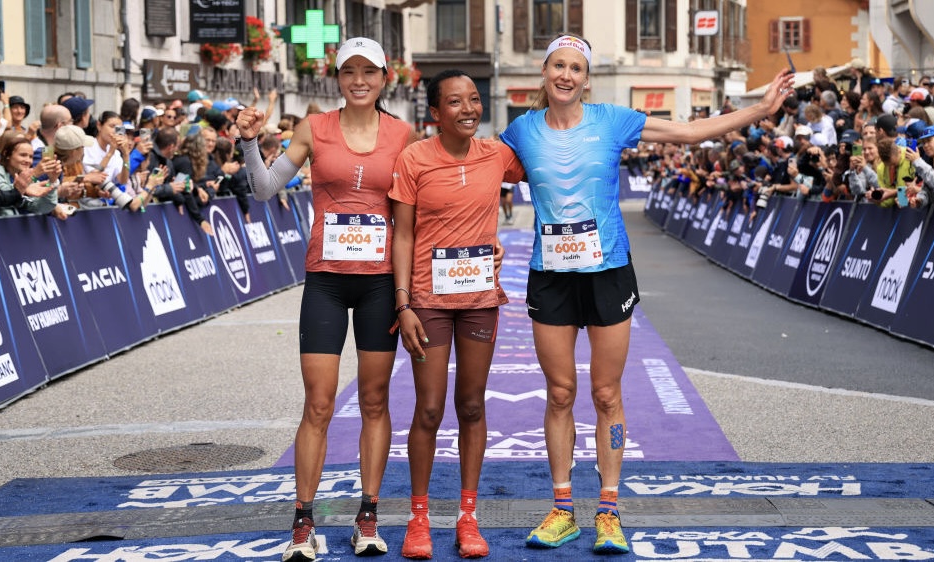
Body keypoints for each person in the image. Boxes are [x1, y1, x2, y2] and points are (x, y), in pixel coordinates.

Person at [498, 33, 794, 555]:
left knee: (606, 394)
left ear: (587, 79)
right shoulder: (521, 130)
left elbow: (687, 131)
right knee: (561, 393)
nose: (566, 75)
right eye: (557, 66)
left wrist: (760, 109)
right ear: (543, 74)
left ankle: (608, 511)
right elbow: (477, 180)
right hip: (551, 275)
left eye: (575, 67)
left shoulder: (613, 119)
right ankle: (563, 508)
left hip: (607, 270)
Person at [236, 37, 414, 562]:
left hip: (380, 281)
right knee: (319, 401)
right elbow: (267, 188)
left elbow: (415, 213)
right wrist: (249, 144)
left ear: (385, 78)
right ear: (337, 78)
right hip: (327, 281)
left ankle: (368, 516)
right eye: (349, 71)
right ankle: (302, 521)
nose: (359, 80)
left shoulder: (403, 135)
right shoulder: (313, 129)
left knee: (375, 401)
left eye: (369, 72)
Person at [390, 69, 524, 560]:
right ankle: (419, 517)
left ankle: (468, 516)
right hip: (427, 299)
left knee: (471, 405)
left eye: (474, 100)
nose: (468, 109)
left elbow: (551, 161)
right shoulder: (414, 158)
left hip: (479, 300)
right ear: (434, 113)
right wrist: (402, 303)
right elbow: (402, 234)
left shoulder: (497, 154)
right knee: (428, 408)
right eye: (455, 102)